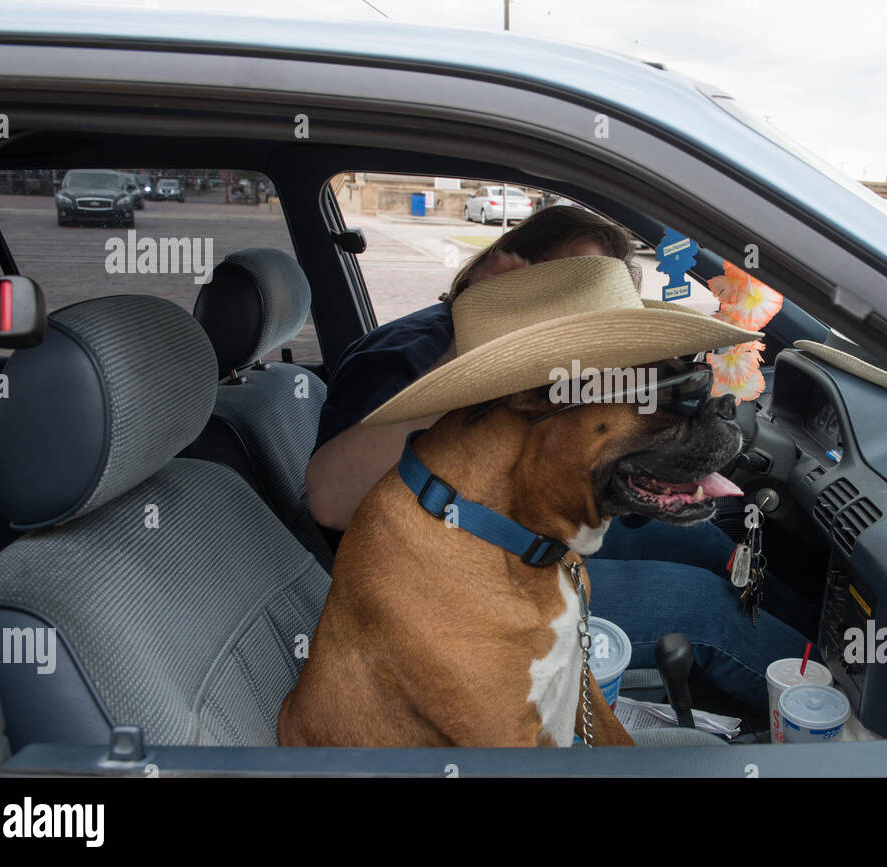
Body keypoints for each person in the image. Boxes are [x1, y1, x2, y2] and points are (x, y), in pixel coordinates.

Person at [305, 206, 810, 712]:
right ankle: (828, 710)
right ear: (511, 273)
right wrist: (468, 351)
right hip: (442, 583)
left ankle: (816, 639)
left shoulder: (563, 370)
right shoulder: (406, 353)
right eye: (570, 283)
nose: (584, 315)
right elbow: (331, 503)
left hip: (523, 524)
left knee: (705, 540)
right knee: (701, 606)